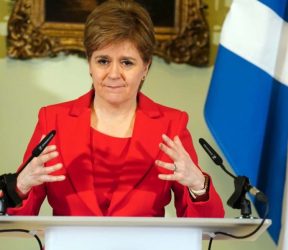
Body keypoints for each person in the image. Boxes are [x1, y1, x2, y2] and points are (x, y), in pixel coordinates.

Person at [7, 0, 224, 217]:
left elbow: (205, 225)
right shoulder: (53, 120)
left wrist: (198, 185)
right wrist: (21, 185)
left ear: (146, 67)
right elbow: (12, 219)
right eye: (103, 61)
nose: (113, 74)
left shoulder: (171, 124)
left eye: (127, 63)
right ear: (90, 64)